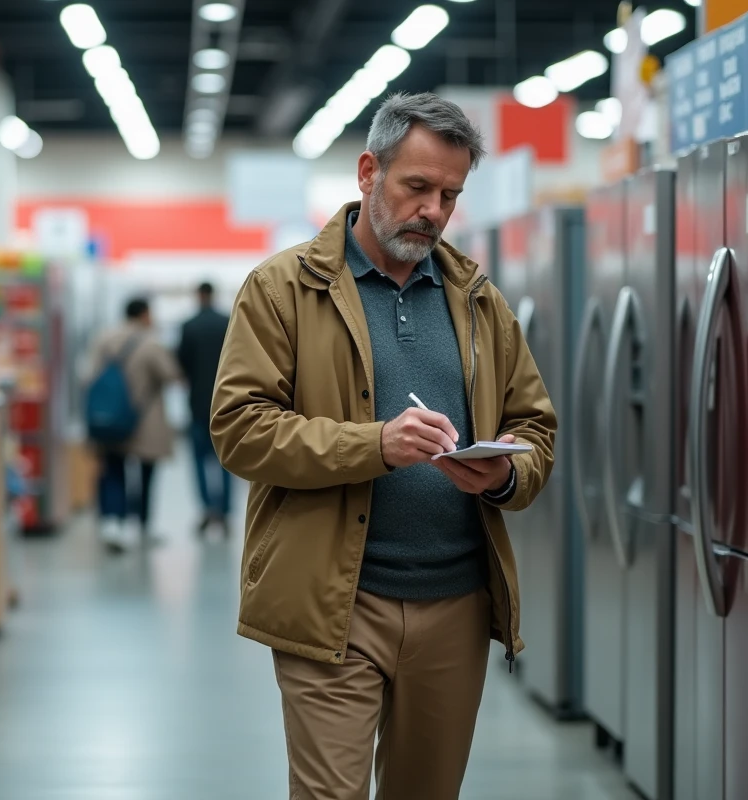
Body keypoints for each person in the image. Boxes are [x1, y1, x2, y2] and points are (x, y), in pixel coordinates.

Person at [209, 92, 557, 799]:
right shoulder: (282, 289)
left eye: (450, 196)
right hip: (334, 603)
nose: (432, 210)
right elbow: (240, 429)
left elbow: (538, 429)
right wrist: (374, 445)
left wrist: (499, 478)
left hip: (456, 604)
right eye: (417, 187)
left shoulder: (478, 300)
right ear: (369, 172)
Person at [85, 297, 182, 551]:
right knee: (146, 475)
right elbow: (171, 375)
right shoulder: (151, 343)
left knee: (113, 470)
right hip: (144, 420)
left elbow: (89, 375)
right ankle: (142, 525)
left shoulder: (104, 338)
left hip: (110, 419)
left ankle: (112, 524)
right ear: (143, 315)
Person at [176, 282, 232, 534]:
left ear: (199, 296)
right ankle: (225, 512)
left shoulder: (189, 326)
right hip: (227, 404)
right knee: (227, 460)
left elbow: (181, 367)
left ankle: (207, 509)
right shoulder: (227, 322)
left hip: (198, 404)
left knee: (199, 461)